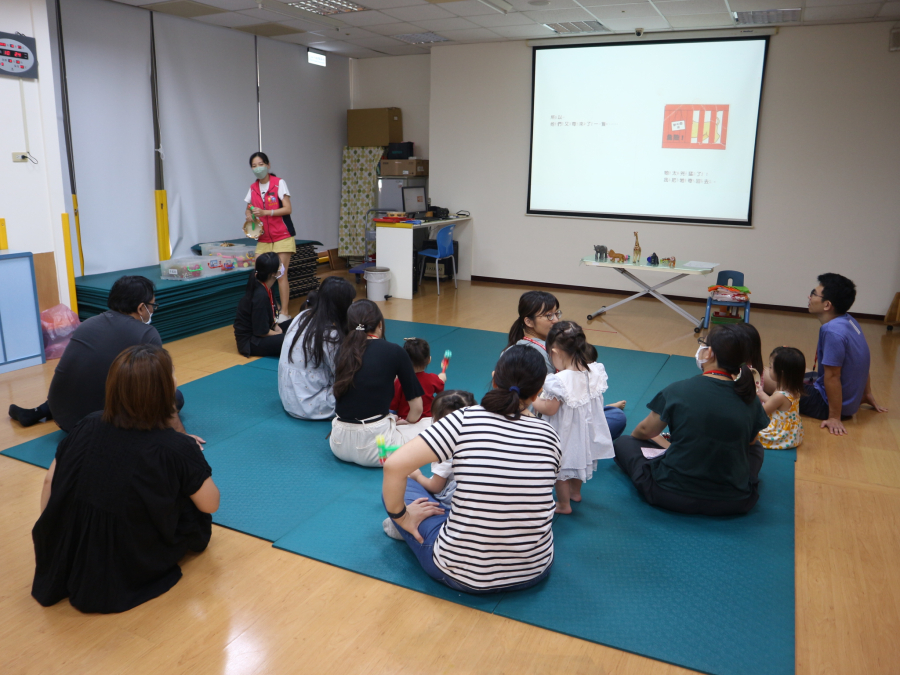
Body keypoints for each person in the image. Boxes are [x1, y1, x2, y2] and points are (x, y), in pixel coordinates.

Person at [31, 344, 219, 613]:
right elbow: (210, 505)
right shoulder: (175, 447)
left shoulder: (87, 424)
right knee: (193, 507)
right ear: (165, 389)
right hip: (127, 560)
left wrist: (56, 533)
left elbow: (50, 482)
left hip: (68, 552)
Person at [382, 346, 560, 593]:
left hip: (462, 571)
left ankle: (405, 525)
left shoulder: (465, 418)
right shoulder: (550, 435)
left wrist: (402, 517)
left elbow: (392, 466)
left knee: (408, 484)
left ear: (494, 377)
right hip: (534, 568)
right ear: (538, 392)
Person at [613, 324, 770, 516]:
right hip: (733, 501)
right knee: (756, 449)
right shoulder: (750, 397)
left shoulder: (678, 389)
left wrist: (668, 446)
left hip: (669, 493)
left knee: (623, 442)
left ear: (709, 353)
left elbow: (643, 431)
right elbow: (750, 442)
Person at [8, 275, 188, 434]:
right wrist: (182, 437)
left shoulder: (88, 323)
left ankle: (38, 412)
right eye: (152, 306)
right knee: (175, 396)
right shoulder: (146, 334)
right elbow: (160, 388)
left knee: (90, 376)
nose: (152, 310)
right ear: (141, 308)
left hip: (62, 417)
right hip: (99, 426)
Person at [531, 321, 624, 514]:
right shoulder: (595, 371)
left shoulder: (559, 381)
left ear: (554, 352)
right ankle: (575, 493)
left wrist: (533, 399)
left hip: (564, 434)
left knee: (561, 471)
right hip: (585, 432)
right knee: (579, 461)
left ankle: (563, 504)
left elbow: (550, 409)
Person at [330, 300, 424, 467]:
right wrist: (407, 422)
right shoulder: (395, 351)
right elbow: (417, 409)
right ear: (380, 324)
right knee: (431, 425)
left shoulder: (341, 351)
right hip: (379, 451)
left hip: (338, 445)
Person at [794, 273, 886, 435]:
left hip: (828, 404)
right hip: (845, 400)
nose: (809, 297)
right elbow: (862, 360)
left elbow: (833, 377)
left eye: (813, 293)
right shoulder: (848, 320)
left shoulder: (832, 331)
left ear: (827, 304)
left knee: (771, 378)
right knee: (790, 370)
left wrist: (834, 417)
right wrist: (866, 394)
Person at [383, 389, 476, 539]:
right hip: (475, 506)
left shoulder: (446, 448)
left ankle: (405, 527)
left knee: (401, 485)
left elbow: (435, 486)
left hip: (452, 505)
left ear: (437, 421)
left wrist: (418, 476)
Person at [278, 277, 356, 420]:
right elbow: (342, 376)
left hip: (290, 399)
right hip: (313, 405)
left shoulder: (302, 316)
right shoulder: (330, 335)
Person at [245, 152, 296, 322]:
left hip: (282, 235)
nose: (257, 168)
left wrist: (267, 212)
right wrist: (249, 215)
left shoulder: (279, 183)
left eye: (260, 164)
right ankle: (274, 308)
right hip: (264, 238)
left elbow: (287, 208)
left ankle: (285, 313)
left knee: (280, 274)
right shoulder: (252, 188)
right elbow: (248, 208)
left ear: (268, 165)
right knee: (259, 275)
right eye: (254, 166)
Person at [233, 252, 292, 357]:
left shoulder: (267, 285)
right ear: (273, 273)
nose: (282, 267)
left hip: (268, 328)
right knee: (292, 340)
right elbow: (261, 331)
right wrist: (280, 334)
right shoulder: (260, 295)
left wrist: (276, 326)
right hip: (252, 341)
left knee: (299, 322)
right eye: (279, 265)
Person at [757, 347, 805, 450]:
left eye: (770, 367)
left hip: (778, 434)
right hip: (791, 433)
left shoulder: (780, 395)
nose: (768, 369)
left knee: (747, 429)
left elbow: (761, 413)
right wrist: (761, 393)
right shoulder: (792, 389)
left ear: (781, 372)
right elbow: (775, 404)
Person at [390, 338, 447, 420]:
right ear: (429, 360)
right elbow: (440, 388)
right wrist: (442, 378)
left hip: (406, 419)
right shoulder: (433, 378)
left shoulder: (399, 381)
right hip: (428, 419)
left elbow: (393, 406)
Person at [505, 290, 561, 373]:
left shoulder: (507, 352)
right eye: (549, 316)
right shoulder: (546, 354)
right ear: (529, 322)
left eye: (556, 314)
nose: (556, 320)